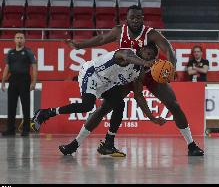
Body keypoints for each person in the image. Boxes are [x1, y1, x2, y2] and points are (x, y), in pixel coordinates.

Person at [64, 5, 204, 156]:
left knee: (173, 105)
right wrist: (79, 45)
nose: (135, 20)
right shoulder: (119, 31)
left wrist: (172, 67)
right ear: (127, 19)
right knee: (105, 108)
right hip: (126, 75)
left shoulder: (151, 33)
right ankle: (75, 143)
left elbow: (168, 48)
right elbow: (101, 39)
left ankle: (191, 145)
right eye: (132, 18)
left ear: (143, 18)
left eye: (138, 17)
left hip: (150, 73)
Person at [34, 44, 166, 156]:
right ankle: (47, 113)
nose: (149, 57)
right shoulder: (127, 52)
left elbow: (138, 95)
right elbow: (127, 57)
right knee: (87, 106)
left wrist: (152, 118)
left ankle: (107, 144)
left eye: (152, 56)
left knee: (120, 104)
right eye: (148, 53)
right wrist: (145, 62)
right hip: (92, 74)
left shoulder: (139, 72)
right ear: (141, 49)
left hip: (106, 83)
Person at [1, 32, 38, 136]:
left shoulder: (28, 52)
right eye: (17, 38)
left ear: (24, 40)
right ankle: (10, 130)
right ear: (14, 40)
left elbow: (34, 67)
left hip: (24, 79)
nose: (19, 40)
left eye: (21, 38)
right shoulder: (10, 53)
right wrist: (3, 81)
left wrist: (34, 82)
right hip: (13, 79)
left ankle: (26, 129)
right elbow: (7, 67)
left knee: (25, 105)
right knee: (11, 105)